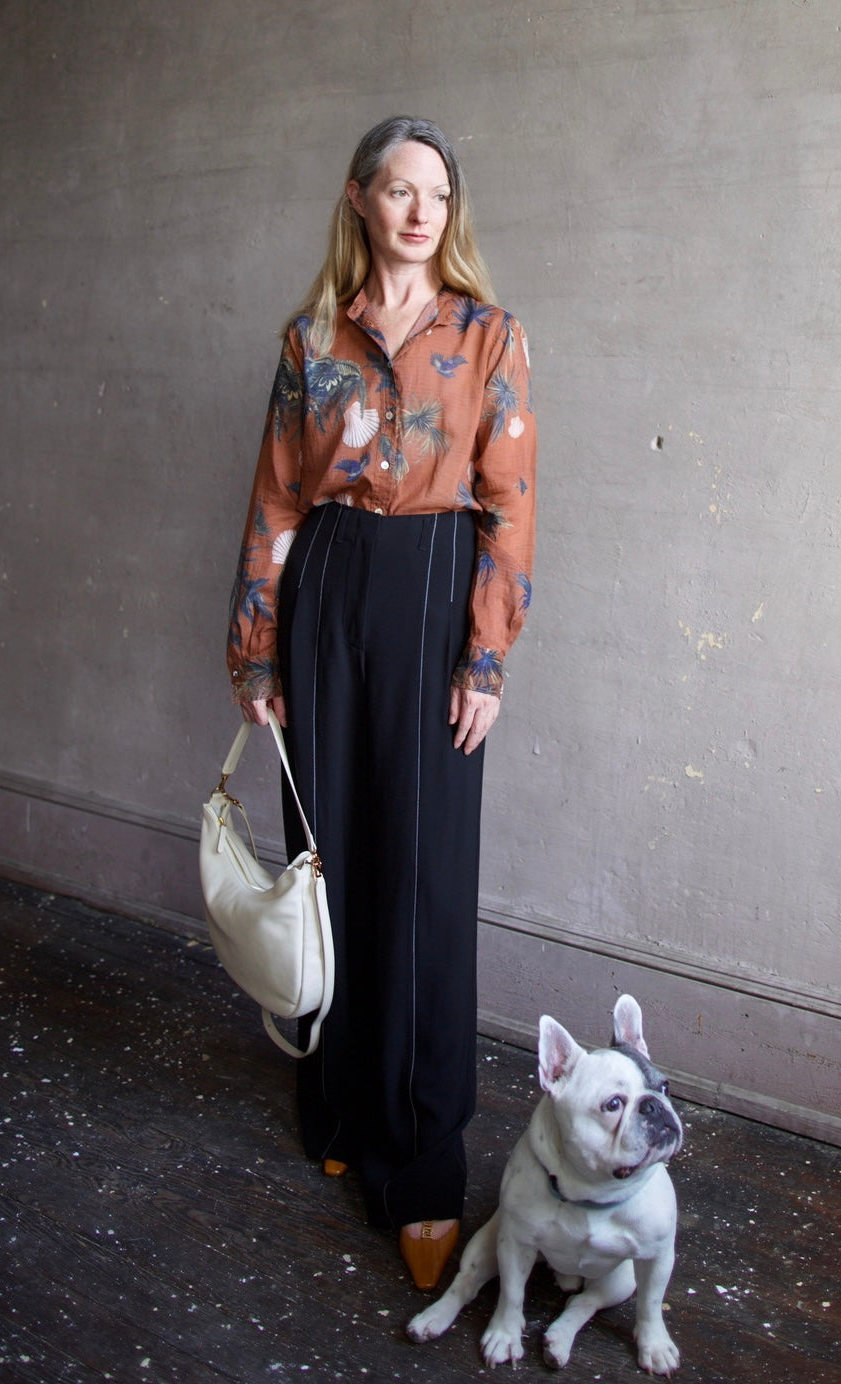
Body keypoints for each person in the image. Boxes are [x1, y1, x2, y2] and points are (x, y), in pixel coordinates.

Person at [225, 115, 536, 1292]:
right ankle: (343, 1106)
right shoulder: (311, 339)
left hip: (433, 589)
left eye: (438, 193)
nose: (419, 210)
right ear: (359, 201)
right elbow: (273, 500)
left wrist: (486, 659)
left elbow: (511, 504)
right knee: (330, 854)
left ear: (453, 212)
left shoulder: (491, 336)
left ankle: (421, 1163)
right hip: (326, 589)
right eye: (398, 190)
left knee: (420, 873)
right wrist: (258, 648)